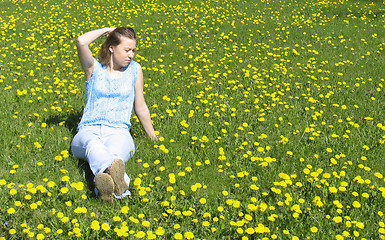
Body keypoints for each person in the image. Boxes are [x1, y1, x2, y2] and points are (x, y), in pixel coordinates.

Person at [71, 27, 158, 202]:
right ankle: (119, 185)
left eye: (133, 50)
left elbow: (140, 106)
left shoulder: (135, 70)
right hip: (89, 129)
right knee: (93, 145)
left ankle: (104, 191)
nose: (131, 55)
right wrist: (106, 30)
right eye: (127, 50)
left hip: (119, 130)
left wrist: (153, 136)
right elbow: (81, 41)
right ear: (111, 47)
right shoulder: (93, 69)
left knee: (116, 154)